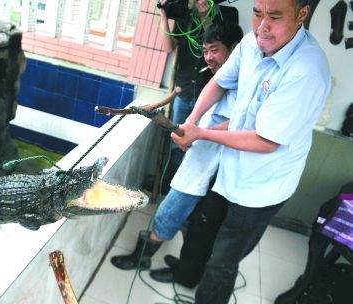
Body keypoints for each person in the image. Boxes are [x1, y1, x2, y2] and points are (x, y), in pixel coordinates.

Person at [171, 0, 331, 303]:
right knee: (202, 230)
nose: (262, 26)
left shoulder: (307, 70)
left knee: (223, 259)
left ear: (301, 14)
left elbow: (266, 141)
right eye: (258, 13)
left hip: (261, 185)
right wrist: (190, 123)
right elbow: (219, 82)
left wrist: (202, 133)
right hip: (229, 166)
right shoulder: (251, 43)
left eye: (274, 16)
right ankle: (186, 277)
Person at [110, 22, 244, 272]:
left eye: (214, 50)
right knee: (188, 222)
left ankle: (141, 260)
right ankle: (184, 265)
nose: (209, 57)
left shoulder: (243, 85)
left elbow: (240, 124)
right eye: (205, 51)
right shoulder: (220, 81)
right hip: (198, 161)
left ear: (235, 48)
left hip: (204, 171)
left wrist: (196, 134)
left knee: (167, 215)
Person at [146, 0, 238, 193]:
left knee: (200, 147)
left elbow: (217, 44)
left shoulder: (228, 15)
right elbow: (168, 47)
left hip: (209, 98)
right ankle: (169, 188)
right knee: (177, 144)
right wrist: (163, 14)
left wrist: (206, 19)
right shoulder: (185, 17)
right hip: (184, 91)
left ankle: (189, 192)